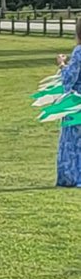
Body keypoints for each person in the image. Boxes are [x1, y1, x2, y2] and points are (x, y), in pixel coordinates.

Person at [55, 21, 81, 187]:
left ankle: (71, 176)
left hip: (77, 102)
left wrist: (62, 64)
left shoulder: (79, 52)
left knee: (73, 141)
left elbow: (69, 79)